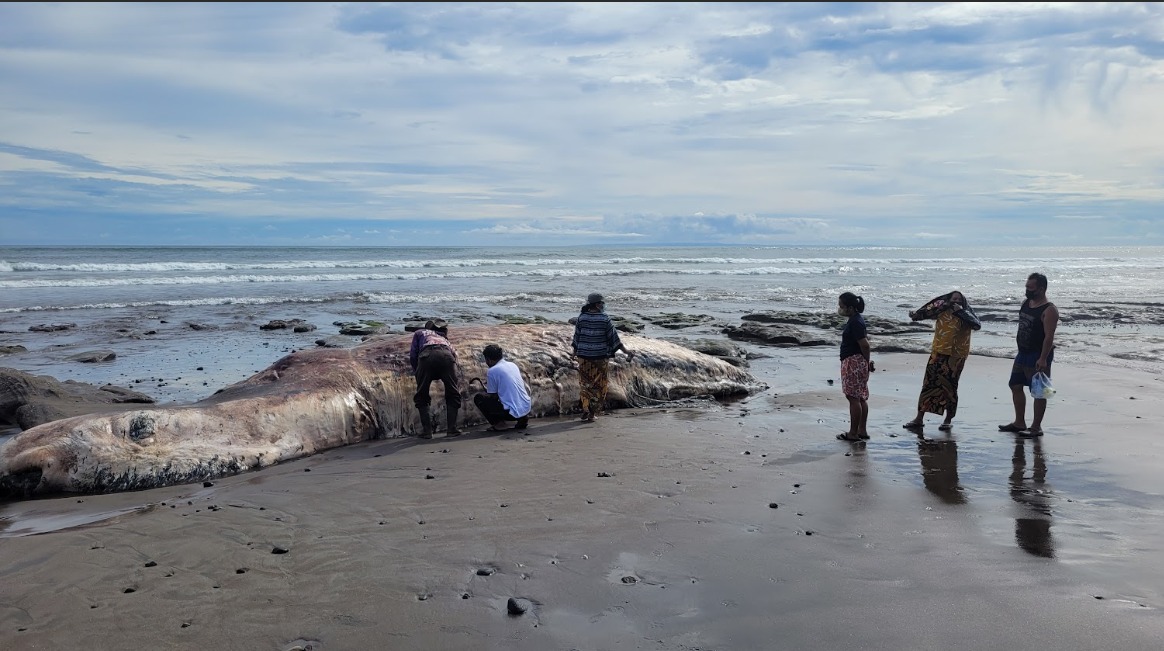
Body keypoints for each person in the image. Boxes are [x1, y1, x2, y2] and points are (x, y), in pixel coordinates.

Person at [902, 291, 981, 433]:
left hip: (956, 356)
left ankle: (948, 420)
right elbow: (926, 312)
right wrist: (915, 315)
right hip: (938, 352)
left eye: (959, 299)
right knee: (929, 384)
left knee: (950, 387)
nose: (955, 301)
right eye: (953, 299)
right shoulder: (941, 309)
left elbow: (976, 325)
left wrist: (961, 312)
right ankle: (919, 418)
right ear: (948, 299)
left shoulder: (966, 313)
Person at [999, 273, 1059, 437]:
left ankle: (1036, 427)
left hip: (1038, 355)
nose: (1027, 290)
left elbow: (1049, 336)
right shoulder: (1027, 303)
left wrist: (1043, 358)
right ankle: (1019, 422)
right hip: (1022, 353)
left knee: (1039, 391)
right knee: (1015, 385)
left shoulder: (1049, 310)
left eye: (1030, 288)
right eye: (1026, 286)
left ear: (1041, 288)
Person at [571, 292, 635, 423]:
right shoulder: (604, 319)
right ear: (597, 304)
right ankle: (592, 413)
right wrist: (626, 351)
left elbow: (577, 337)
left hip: (583, 357)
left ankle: (585, 408)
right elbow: (614, 339)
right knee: (599, 385)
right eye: (602, 303)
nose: (603, 305)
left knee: (585, 384)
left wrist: (574, 352)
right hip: (600, 357)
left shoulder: (581, 318)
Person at [408, 318, 462, 439]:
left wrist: (417, 371)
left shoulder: (420, 333)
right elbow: (455, 355)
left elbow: (413, 354)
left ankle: (427, 431)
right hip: (446, 356)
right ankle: (452, 429)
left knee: (422, 394)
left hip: (426, 356)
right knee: (453, 393)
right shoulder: (444, 339)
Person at [836, 291, 873, 442]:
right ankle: (861, 430)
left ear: (850, 308)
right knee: (860, 397)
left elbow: (865, 345)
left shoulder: (855, 322)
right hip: (857, 361)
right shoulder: (856, 320)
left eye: (841, 306)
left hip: (853, 362)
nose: (839, 309)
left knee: (853, 398)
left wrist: (866, 362)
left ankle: (853, 433)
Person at [473, 344, 532, 432]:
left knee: (479, 398)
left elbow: (493, 396)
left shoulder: (492, 371)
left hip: (511, 414)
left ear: (488, 359)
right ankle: (522, 419)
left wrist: (487, 390)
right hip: (526, 408)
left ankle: (499, 424)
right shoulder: (512, 365)